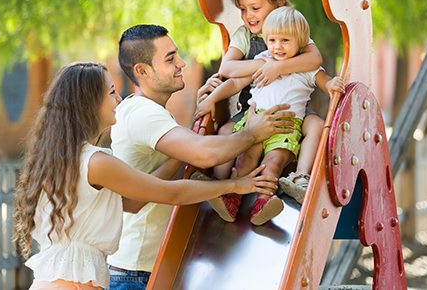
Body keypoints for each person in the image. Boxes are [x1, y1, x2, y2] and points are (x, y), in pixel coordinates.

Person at [12, 61, 283, 290]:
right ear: (90, 103)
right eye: (111, 92)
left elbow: (133, 202)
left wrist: (181, 153)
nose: (119, 99)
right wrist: (233, 184)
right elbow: (171, 193)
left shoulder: (63, 158)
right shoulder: (97, 162)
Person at [106, 24, 295, 290]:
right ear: (142, 71)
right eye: (170, 59)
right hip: (137, 273)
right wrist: (252, 133)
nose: (181, 63)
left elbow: (180, 158)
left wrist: (199, 121)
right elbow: (205, 155)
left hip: (147, 267)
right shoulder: (142, 113)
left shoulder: (147, 112)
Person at [194, 7, 345, 225]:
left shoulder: (306, 67)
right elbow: (236, 82)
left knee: (272, 163)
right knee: (244, 160)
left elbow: (325, 81)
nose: (278, 46)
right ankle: (231, 200)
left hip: (285, 126)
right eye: (272, 40)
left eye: (285, 40)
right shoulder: (263, 60)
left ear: (301, 42)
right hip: (254, 123)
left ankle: (263, 204)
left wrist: (332, 84)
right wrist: (211, 99)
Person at [199, 0, 326, 197]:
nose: (249, 15)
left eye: (255, 8)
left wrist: (278, 67)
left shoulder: (293, 29)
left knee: (315, 124)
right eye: (243, 9)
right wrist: (265, 64)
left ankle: (301, 177)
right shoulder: (245, 35)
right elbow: (227, 69)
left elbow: (314, 59)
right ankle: (217, 183)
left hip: (291, 107)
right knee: (227, 130)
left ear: (279, 4)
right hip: (254, 107)